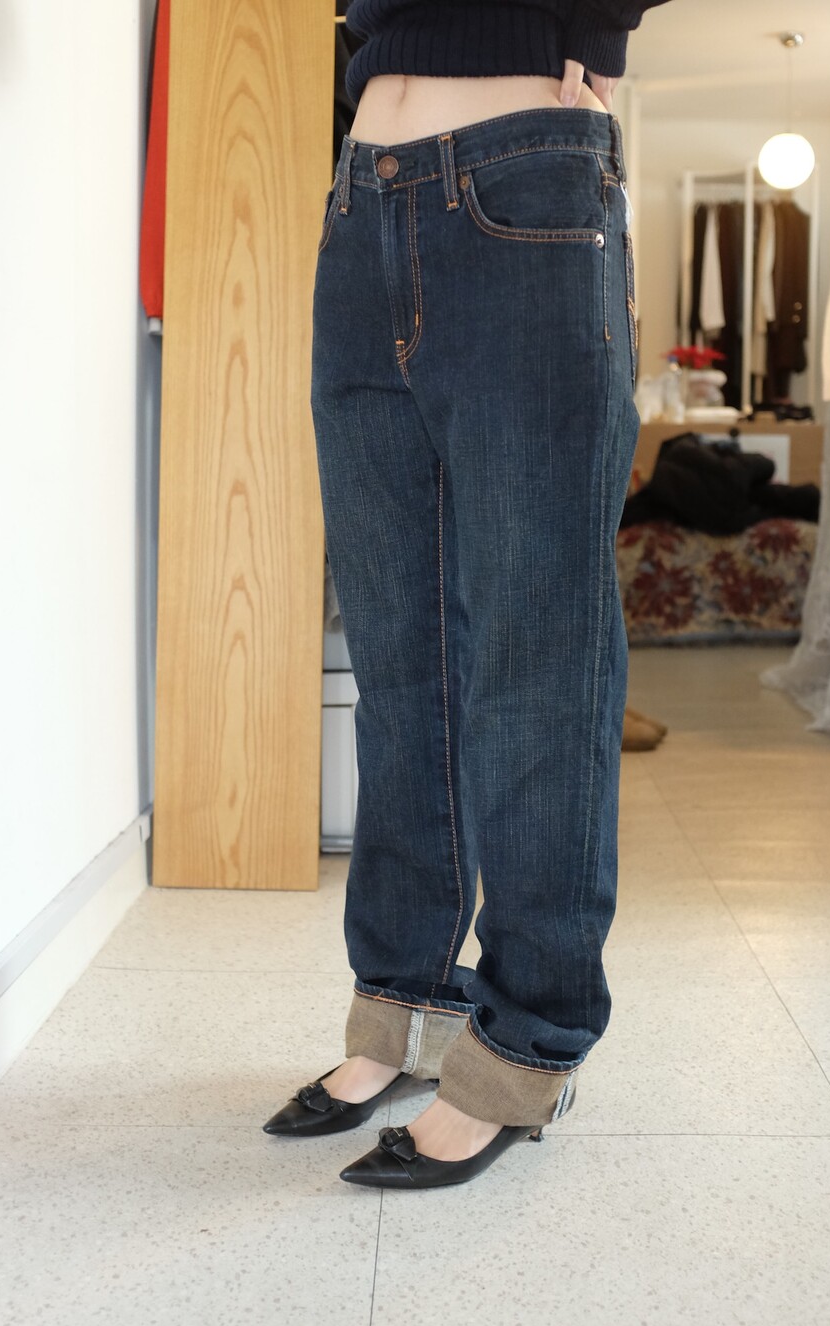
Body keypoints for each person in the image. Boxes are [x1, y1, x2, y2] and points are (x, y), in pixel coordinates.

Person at [264, 0, 671, 1190]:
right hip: (361, 200)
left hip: (525, 177)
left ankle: (525, 1045)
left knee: (534, 655)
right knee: (400, 657)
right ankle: (404, 1006)